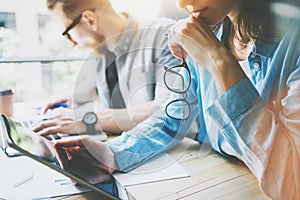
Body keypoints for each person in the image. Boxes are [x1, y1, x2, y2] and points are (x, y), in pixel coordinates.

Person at [53, 0, 300, 199]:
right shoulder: (205, 31)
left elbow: (290, 182)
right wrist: (112, 154)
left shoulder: (294, 41)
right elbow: (172, 117)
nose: (182, 4)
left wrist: (218, 60)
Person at [32, 0, 190, 136]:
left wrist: (87, 119)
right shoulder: (100, 51)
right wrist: (74, 99)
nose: (72, 44)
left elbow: (169, 110)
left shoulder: (164, 36)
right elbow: (112, 93)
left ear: (89, 20)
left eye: (68, 34)